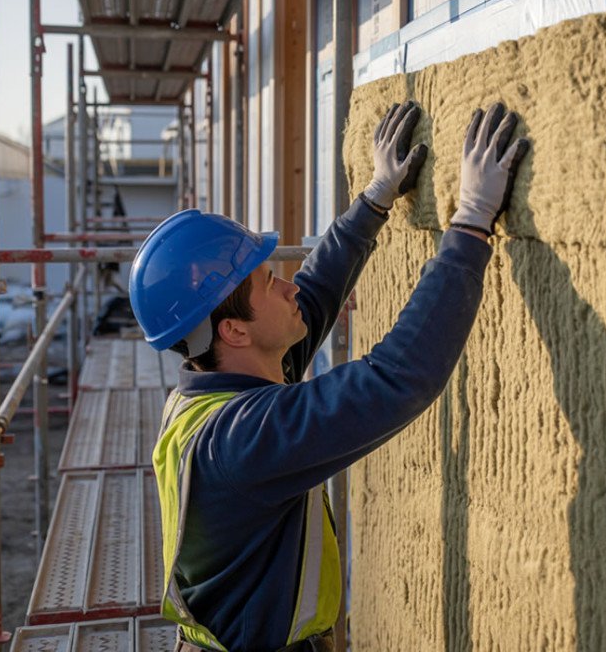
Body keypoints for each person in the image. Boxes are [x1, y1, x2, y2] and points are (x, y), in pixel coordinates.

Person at [128, 100, 530, 652]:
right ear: (234, 332)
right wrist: (471, 222)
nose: (289, 285)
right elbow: (395, 380)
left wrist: (375, 199)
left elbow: (312, 300)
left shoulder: (227, 389)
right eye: (270, 282)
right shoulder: (242, 440)